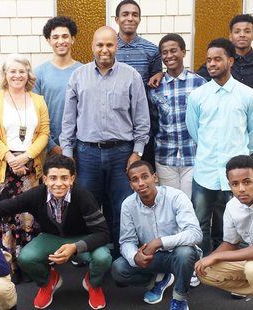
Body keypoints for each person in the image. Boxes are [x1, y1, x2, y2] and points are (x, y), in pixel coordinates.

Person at [0, 155, 112, 310]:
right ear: (45, 179)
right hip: (51, 238)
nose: (59, 184)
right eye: (53, 178)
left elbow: (103, 234)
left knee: (103, 257)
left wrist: (75, 247)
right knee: (26, 257)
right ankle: (48, 281)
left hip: (82, 239)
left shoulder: (83, 196)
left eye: (64, 178)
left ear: (72, 179)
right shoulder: (36, 195)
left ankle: (93, 284)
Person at [60, 26, 150, 257]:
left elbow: (141, 118)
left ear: (116, 46)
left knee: (122, 206)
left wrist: (137, 152)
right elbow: (69, 119)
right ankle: (87, 253)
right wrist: (68, 153)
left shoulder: (131, 76)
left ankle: (121, 253)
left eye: (109, 44)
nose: (104, 49)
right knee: (86, 205)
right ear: (92, 46)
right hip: (86, 153)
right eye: (100, 44)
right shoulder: (78, 76)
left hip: (122, 152)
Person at [0, 53, 50, 283]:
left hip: (30, 170)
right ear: (5, 74)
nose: (17, 75)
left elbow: (44, 133)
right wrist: (11, 158)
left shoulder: (38, 101)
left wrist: (28, 157)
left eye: (22, 71)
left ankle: (28, 266)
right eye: (12, 71)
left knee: (27, 217)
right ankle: (6, 268)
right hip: (3, 168)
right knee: (3, 218)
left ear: (28, 74)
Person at [186, 38, 253, 256]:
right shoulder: (198, 96)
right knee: (200, 223)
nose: (212, 64)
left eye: (218, 59)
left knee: (239, 223)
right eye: (208, 60)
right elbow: (194, 130)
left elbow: (251, 132)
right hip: (205, 171)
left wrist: (242, 156)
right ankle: (202, 266)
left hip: (237, 175)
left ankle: (236, 270)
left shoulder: (247, 94)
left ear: (231, 61)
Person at [111, 160, 202, 310]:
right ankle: (160, 278)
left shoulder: (176, 197)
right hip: (153, 258)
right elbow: (127, 241)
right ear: (130, 185)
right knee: (119, 268)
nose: (140, 183)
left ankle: (179, 299)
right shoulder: (128, 205)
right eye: (135, 180)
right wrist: (135, 256)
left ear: (155, 177)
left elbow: (195, 234)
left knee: (185, 253)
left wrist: (159, 242)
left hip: (177, 254)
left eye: (145, 176)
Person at [148, 34, 206, 199]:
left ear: (183, 52)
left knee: (190, 205)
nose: (169, 56)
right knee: (170, 204)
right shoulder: (155, 87)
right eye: (164, 52)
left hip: (193, 155)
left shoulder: (199, 84)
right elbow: (153, 121)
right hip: (165, 156)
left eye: (173, 50)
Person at [195, 155, 253, 298]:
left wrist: (218, 256)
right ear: (229, 186)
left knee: (251, 269)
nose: (241, 189)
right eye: (235, 184)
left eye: (247, 182)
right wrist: (206, 260)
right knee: (206, 271)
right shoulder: (232, 206)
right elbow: (231, 243)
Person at [115, 0, 162, 170]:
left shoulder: (151, 50)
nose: (130, 18)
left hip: (143, 121)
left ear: (139, 19)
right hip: (116, 122)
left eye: (134, 15)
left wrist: (161, 73)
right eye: (125, 14)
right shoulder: (108, 48)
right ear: (116, 19)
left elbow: (156, 80)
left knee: (141, 171)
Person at [33, 16, 82, 155]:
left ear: (72, 39)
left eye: (65, 36)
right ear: (49, 41)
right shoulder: (39, 73)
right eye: (55, 37)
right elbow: (34, 114)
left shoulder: (83, 72)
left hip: (80, 147)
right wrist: (50, 145)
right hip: (47, 146)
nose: (60, 41)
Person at [197, 14, 253, 88]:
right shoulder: (217, 63)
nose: (242, 35)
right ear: (230, 36)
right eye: (237, 32)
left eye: (247, 31)